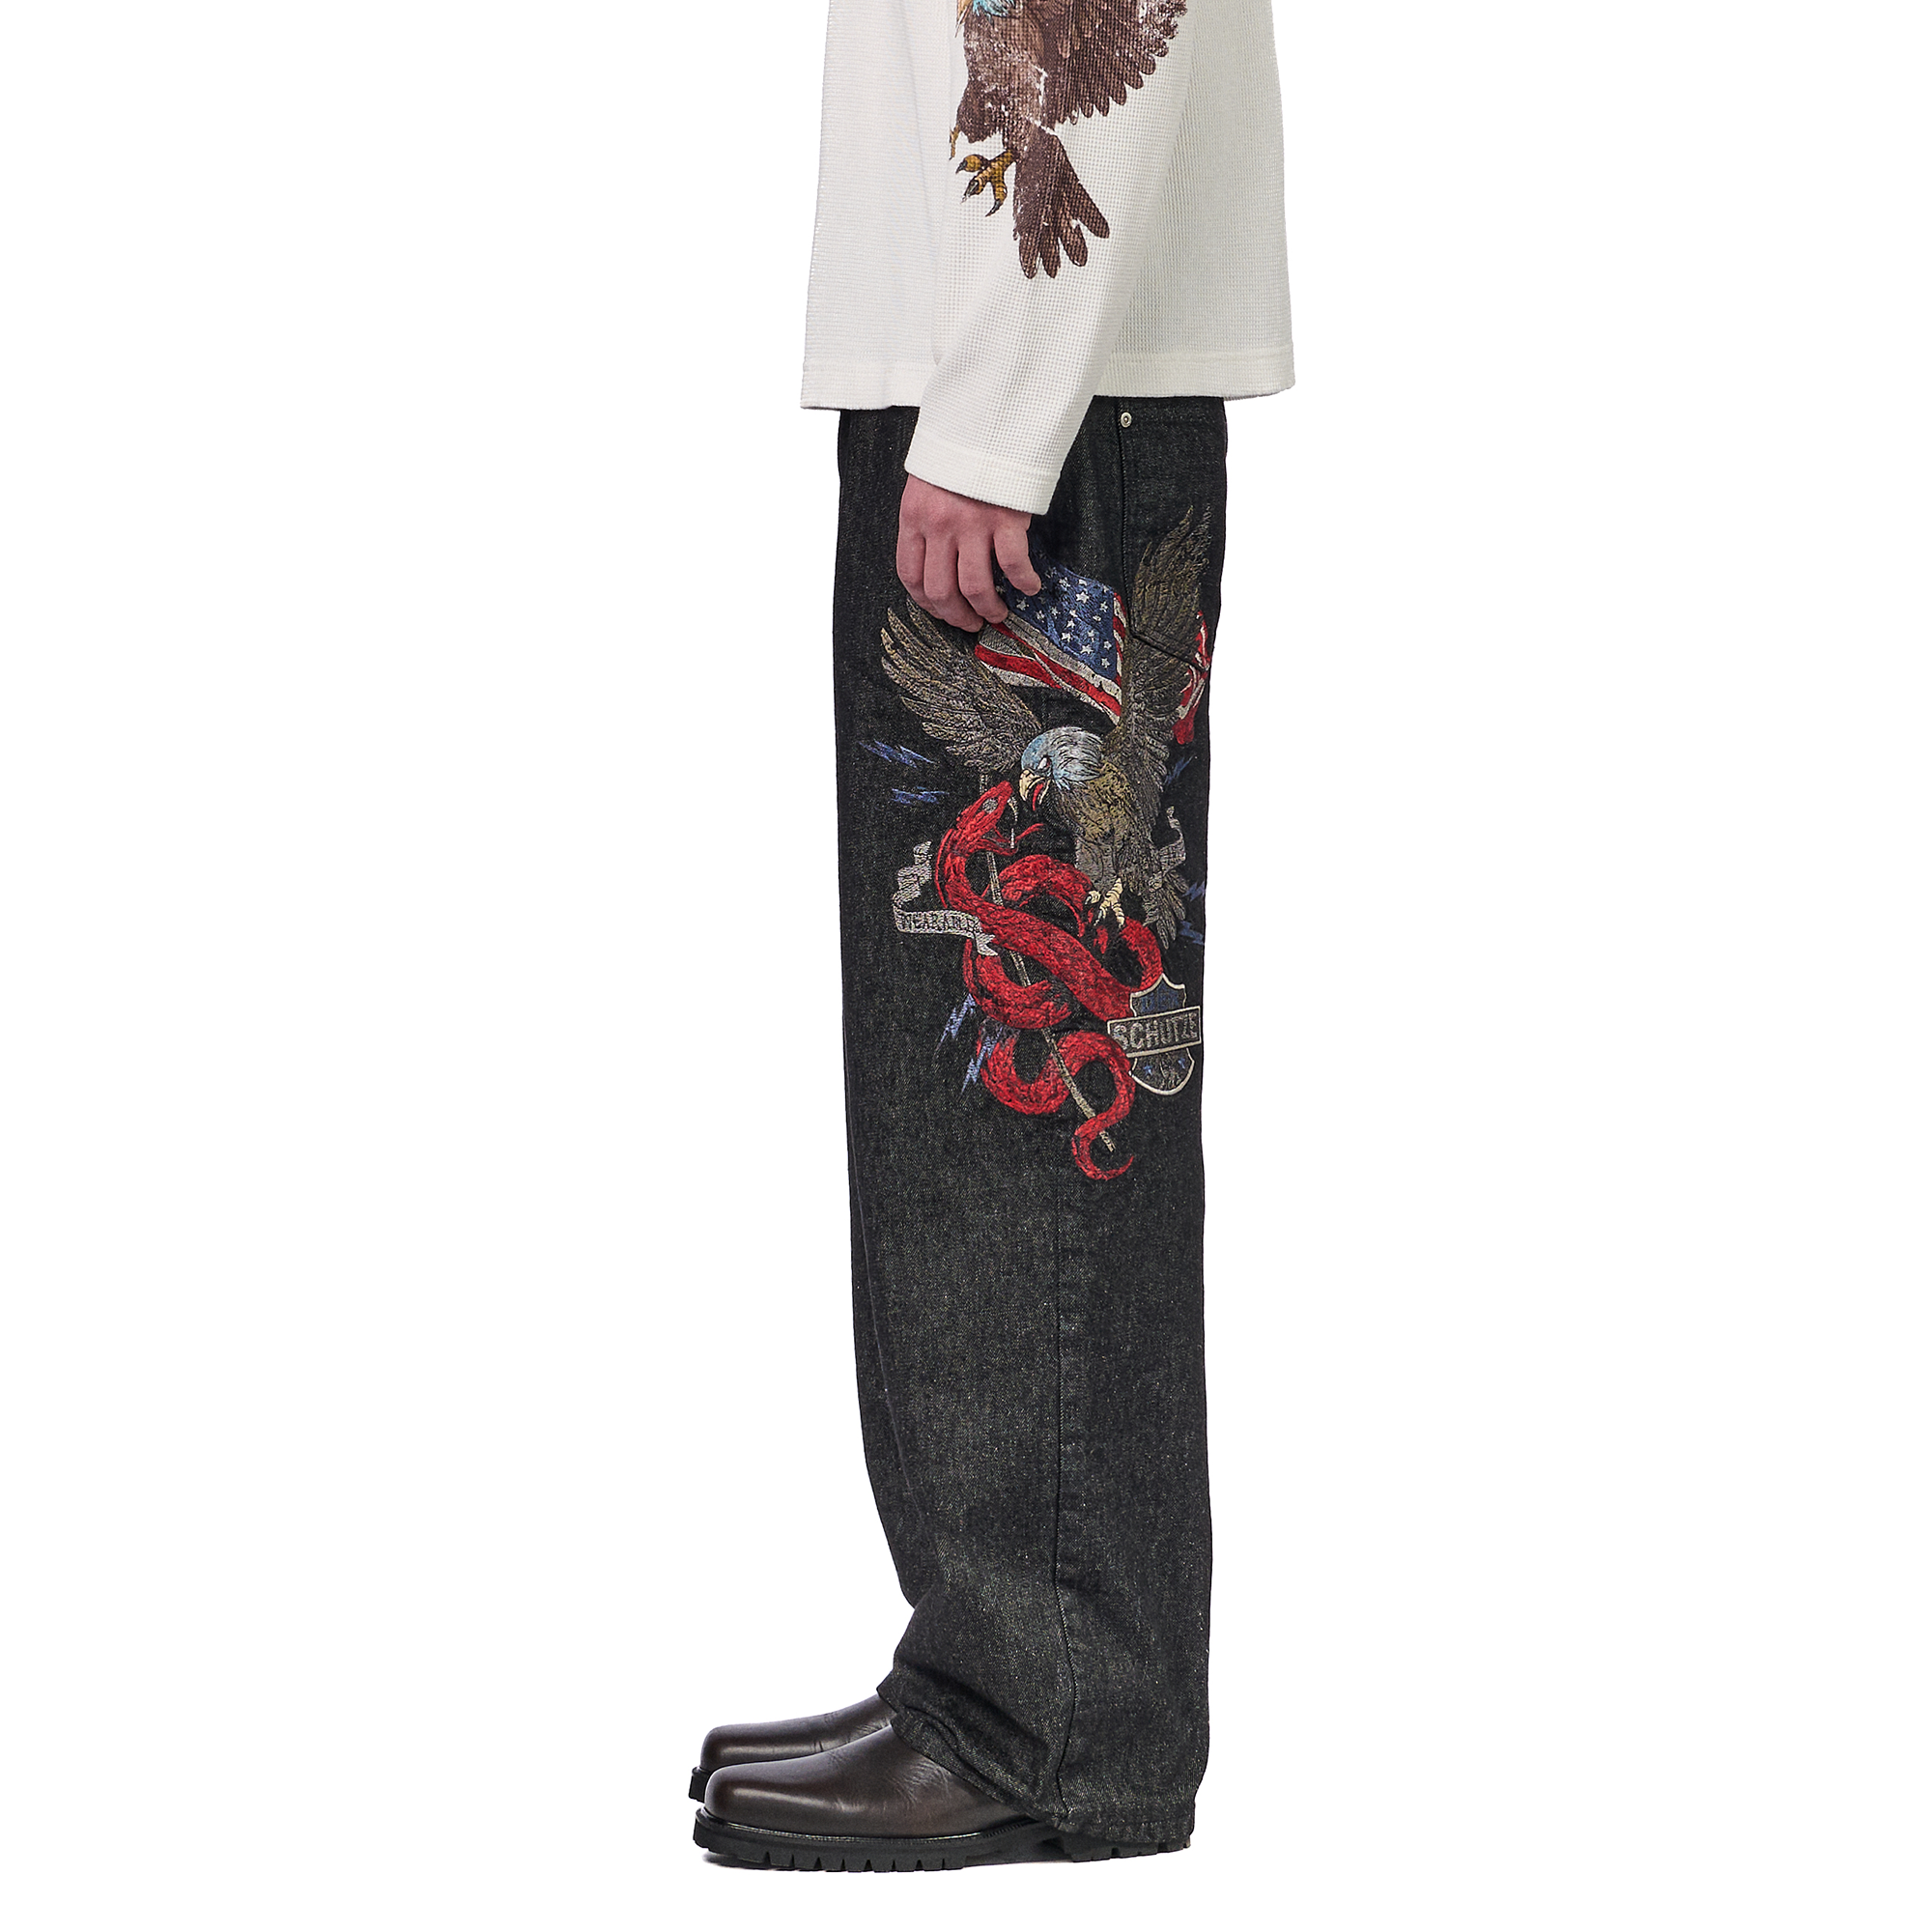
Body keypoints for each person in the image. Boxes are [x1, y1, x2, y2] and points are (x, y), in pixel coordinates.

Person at [691, 0, 1293, 1870]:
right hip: (1008, 378)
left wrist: (999, 413)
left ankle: (1053, 1713)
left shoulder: (1014, 410)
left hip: (1039, 400)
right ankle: (1002, 1675)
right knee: (948, 1091)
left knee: (1024, 1099)